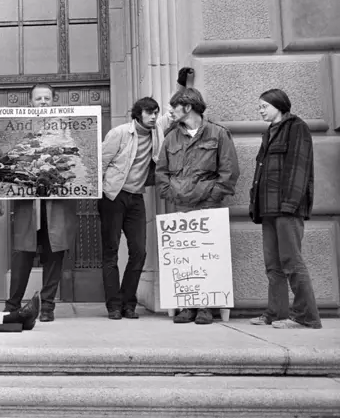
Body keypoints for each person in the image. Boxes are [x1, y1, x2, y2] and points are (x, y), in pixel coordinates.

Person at [156, 88, 240, 325]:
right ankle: (186, 305)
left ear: (188, 107)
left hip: (209, 205)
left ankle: (205, 307)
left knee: (207, 257)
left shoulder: (219, 134)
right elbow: (161, 171)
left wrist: (212, 196)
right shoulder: (171, 137)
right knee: (184, 258)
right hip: (180, 206)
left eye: (174, 107)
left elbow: (229, 171)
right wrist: (170, 193)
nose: (170, 111)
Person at [248, 89, 321, 329]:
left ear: (279, 105)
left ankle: (306, 316)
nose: (260, 110)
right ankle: (276, 313)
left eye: (264, 106)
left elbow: (299, 167)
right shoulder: (269, 132)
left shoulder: (296, 127)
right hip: (268, 209)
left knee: (292, 262)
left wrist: (290, 204)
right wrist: (255, 205)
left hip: (287, 208)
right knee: (273, 265)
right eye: (259, 106)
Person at [5, 84, 78, 323]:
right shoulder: (18, 127)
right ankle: (12, 304)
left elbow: (76, 161)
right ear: (31, 103)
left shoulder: (67, 126)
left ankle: (47, 306)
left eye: (47, 98)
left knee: (53, 253)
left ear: (54, 101)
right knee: (22, 254)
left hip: (56, 202)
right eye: (39, 99)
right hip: (29, 203)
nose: (43, 102)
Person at [99, 97, 163, 320]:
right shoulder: (119, 133)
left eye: (156, 112)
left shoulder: (157, 132)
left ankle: (128, 302)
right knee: (111, 251)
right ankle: (114, 306)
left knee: (139, 251)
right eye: (149, 112)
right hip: (113, 196)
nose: (154, 116)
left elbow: (176, 114)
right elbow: (101, 163)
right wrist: (101, 193)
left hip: (136, 198)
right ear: (138, 114)